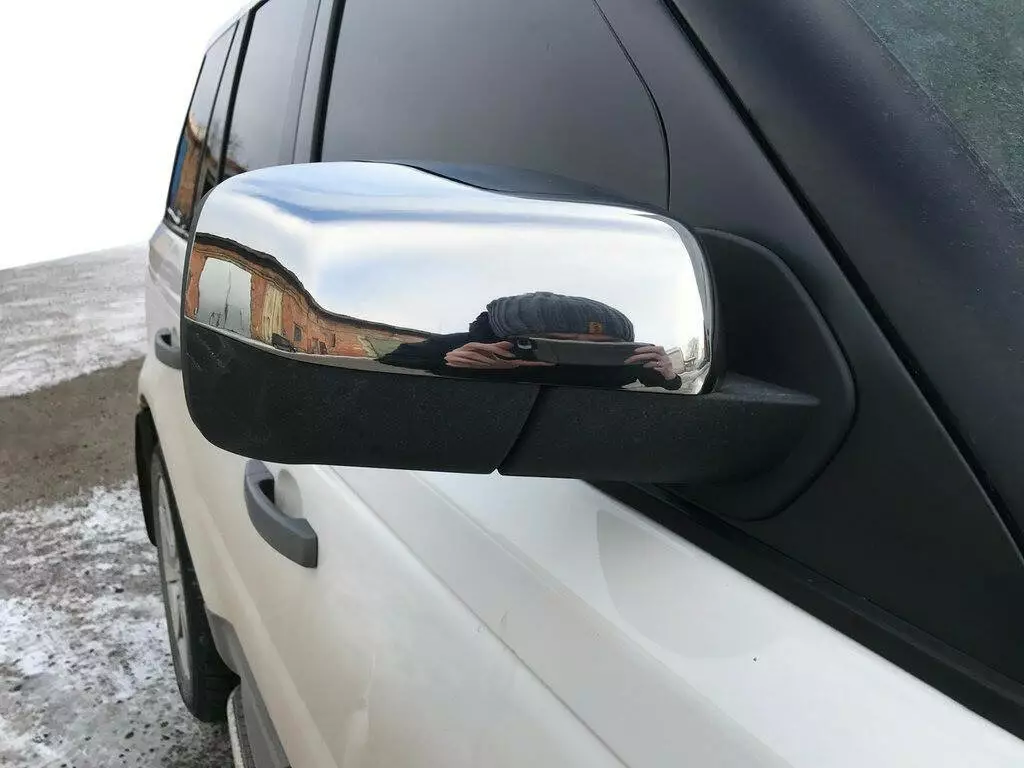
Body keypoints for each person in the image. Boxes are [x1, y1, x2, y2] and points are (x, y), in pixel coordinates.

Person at [380, 292, 683, 390]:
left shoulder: (619, 365)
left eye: (602, 343)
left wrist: (669, 377)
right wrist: (448, 365)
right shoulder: (459, 348)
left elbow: (662, 388)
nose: (578, 349)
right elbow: (389, 365)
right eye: (555, 340)